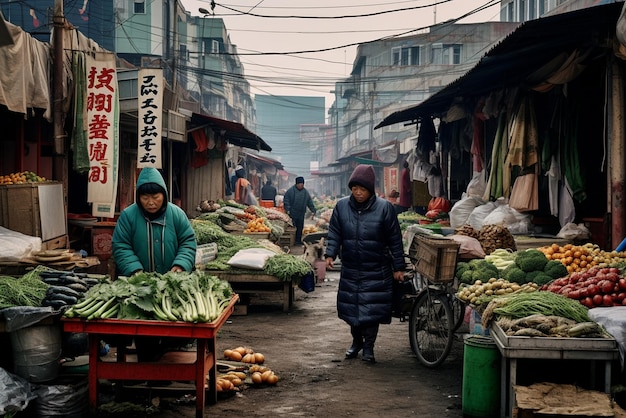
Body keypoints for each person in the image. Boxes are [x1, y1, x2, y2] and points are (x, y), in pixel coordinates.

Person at [112, 167, 197, 362]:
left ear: (164, 194)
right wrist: (135, 270)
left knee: (171, 325)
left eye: (156, 196)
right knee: (143, 328)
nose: (151, 202)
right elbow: (121, 245)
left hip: (172, 283)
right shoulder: (128, 216)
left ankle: (167, 365)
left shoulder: (177, 215)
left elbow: (188, 242)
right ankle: (146, 367)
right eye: (145, 197)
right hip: (138, 286)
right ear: (138, 196)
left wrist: (181, 265)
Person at [324, 164, 405, 363]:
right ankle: (356, 341)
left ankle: (368, 347)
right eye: (354, 188)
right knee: (352, 311)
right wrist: (330, 254)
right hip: (351, 267)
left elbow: (395, 239)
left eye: (362, 189)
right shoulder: (342, 207)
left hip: (377, 268)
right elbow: (335, 232)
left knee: (371, 311)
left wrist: (398, 267)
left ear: (370, 189)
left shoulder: (385, 208)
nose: (358, 193)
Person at [283, 176, 316, 245]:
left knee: (300, 227)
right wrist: (288, 209)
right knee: (293, 227)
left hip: (301, 213)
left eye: (302, 184)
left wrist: (313, 210)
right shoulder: (290, 191)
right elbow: (286, 200)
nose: (301, 185)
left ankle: (298, 241)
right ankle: (293, 240)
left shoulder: (305, 192)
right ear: (296, 184)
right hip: (293, 213)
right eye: (300, 184)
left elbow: (309, 202)